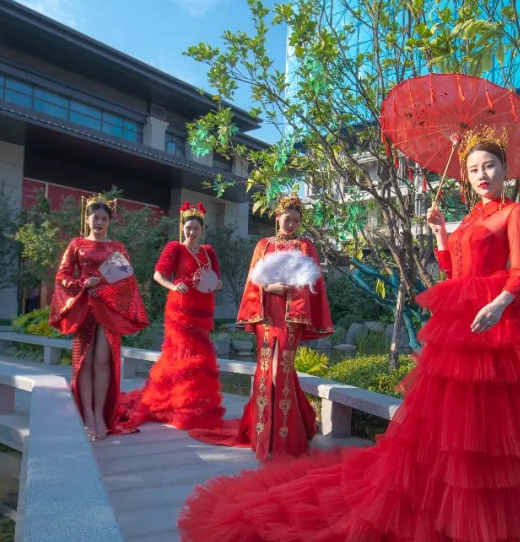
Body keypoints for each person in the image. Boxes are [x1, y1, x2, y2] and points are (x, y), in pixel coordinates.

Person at [178, 132, 520, 542]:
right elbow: (452, 272)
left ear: (505, 169)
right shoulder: (473, 214)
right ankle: (446, 511)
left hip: (494, 325)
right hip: (463, 324)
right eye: (474, 169)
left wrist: (499, 303)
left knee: (485, 426)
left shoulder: (513, 212)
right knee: (451, 422)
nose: (482, 175)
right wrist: (441, 234)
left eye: (489, 166)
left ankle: (481, 521)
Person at [189, 195, 334, 460]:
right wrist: (270, 287)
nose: (291, 224)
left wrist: (291, 291)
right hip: (266, 317)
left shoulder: (305, 246)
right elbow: (253, 282)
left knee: (281, 371)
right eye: (287, 219)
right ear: (277, 218)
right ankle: (264, 433)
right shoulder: (263, 245)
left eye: (296, 221)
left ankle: (284, 438)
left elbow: (312, 286)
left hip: (291, 318)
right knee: (266, 371)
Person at [118, 202, 226, 431]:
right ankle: (179, 405)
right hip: (181, 308)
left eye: (196, 228)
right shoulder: (175, 248)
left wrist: (217, 285)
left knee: (199, 355)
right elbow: (158, 275)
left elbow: (215, 279)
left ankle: (196, 405)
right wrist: (174, 286)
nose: (192, 232)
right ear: (182, 228)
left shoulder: (208, 252)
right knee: (182, 353)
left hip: (203, 309)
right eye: (188, 228)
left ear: (202, 230)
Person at [49, 195, 149, 441]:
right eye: (96, 217)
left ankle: (100, 415)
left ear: (109, 222)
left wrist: (102, 290)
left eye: (104, 218)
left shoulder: (117, 247)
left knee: (104, 362)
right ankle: (87, 416)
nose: (100, 222)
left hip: (108, 309)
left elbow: (127, 281)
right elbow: (62, 275)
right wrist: (83, 283)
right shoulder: (77, 244)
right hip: (85, 308)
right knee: (85, 362)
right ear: (87, 219)